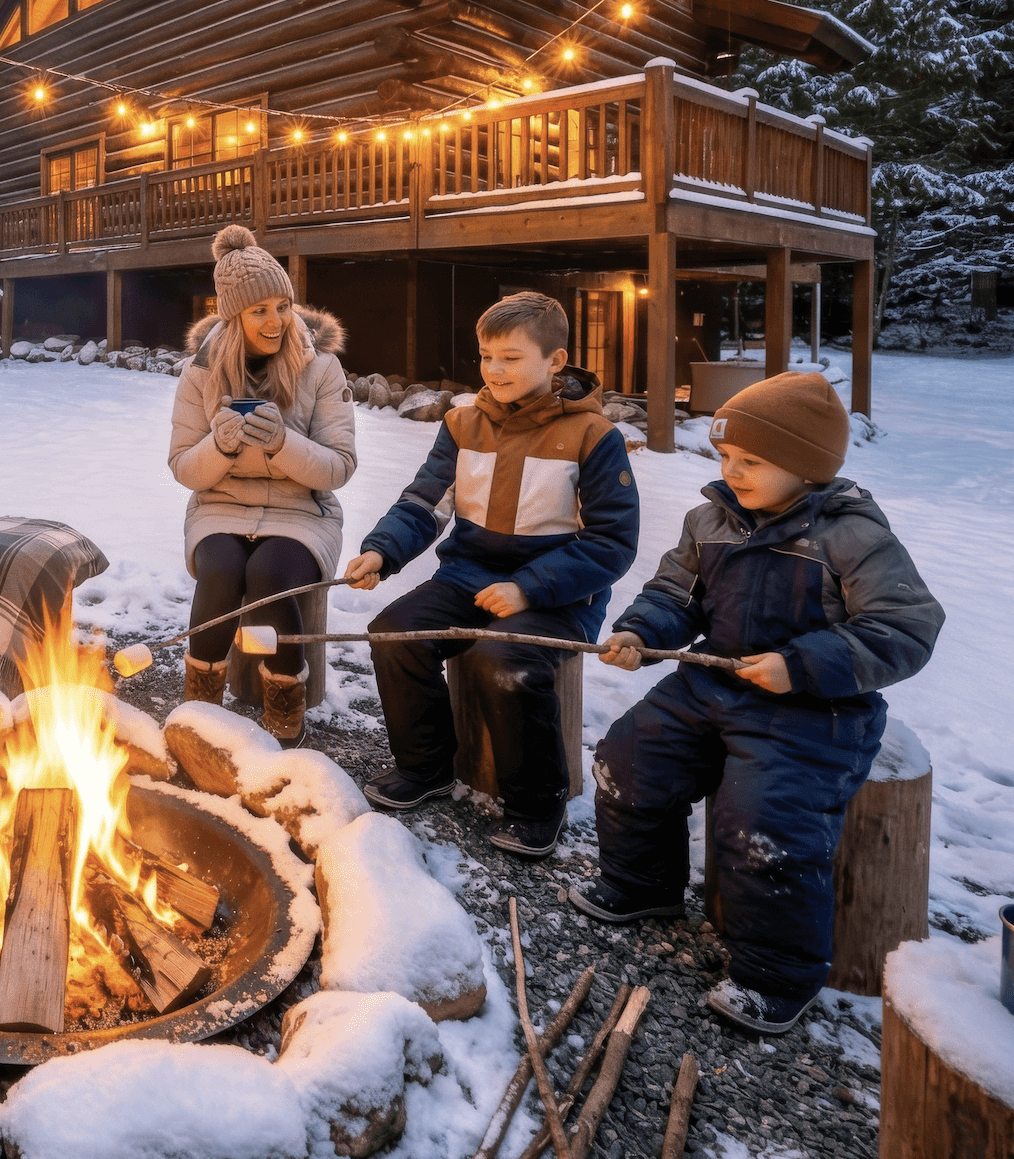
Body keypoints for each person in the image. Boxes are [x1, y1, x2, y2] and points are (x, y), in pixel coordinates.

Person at [568, 371, 943, 1036]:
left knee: (763, 819)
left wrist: (799, 665)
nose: (732, 471)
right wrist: (641, 633)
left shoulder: (851, 537)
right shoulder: (709, 521)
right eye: (726, 457)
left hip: (817, 708)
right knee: (629, 755)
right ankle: (644, 884)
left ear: (806, 468)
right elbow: (673, 596)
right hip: (715, 681)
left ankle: (775, 973)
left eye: (753, 461)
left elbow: (904, 628)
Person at [345, 290, 637, 857]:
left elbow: (611, 543)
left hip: (559, 597)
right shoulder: (462, 424)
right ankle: (426, 766)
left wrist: (530, 587)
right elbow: (424, 503)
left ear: (555, 362)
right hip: (469, 577)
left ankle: (536, 802)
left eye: (511, 357)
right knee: (394, 634)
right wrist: (383, 551)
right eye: (486, 356)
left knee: (500, 660)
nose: (494, 369)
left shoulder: (593, 438)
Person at [167, 225, 357, 742]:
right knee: (223, 569)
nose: (275, 321)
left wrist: (282, 444)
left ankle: (284, 701)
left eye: (282, 306)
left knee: (272, 571)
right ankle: (200, 706)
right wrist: (221, 446)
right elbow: (184, 466)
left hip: (302, 513)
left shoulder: (322, 369)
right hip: (220, 506)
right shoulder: (201, 373)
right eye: (259, 311)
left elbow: (339, 466)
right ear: (234, 317)